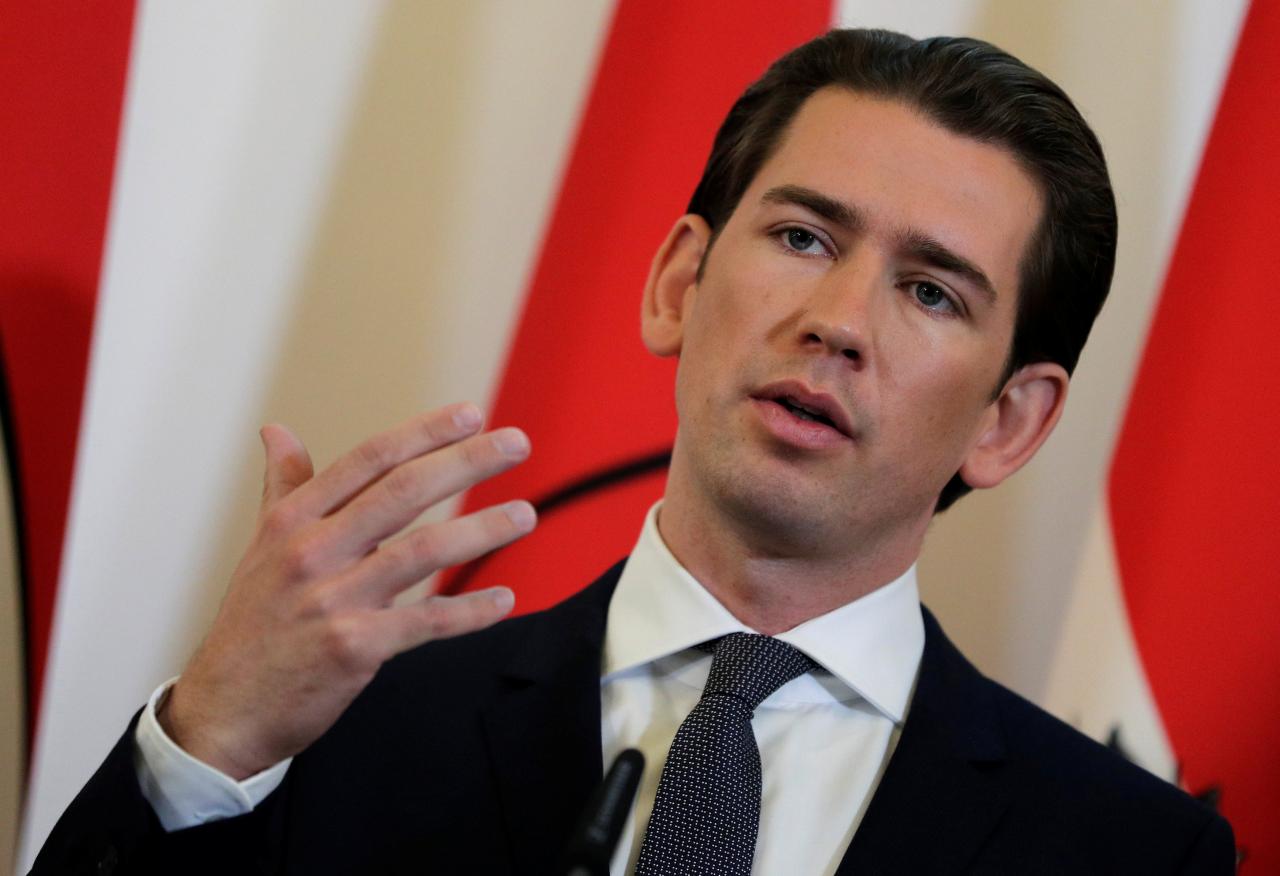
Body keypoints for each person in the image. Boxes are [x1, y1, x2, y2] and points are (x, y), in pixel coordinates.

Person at [33, 28, 1234, 875]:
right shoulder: (342, 729)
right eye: (806, 236)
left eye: (928, 292)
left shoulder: (1122, 848)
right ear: (676, 284)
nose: (837, 321)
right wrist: (208, 743)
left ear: (1006, 421)